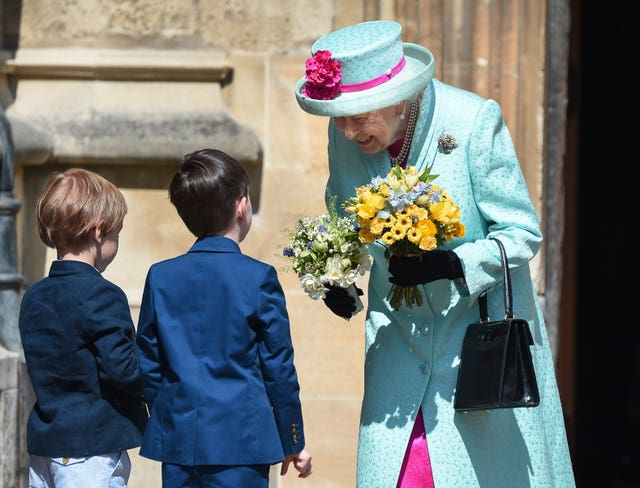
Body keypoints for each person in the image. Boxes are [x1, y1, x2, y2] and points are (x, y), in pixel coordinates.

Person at [294, 20, 575, 487]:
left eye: (358, 115)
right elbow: (342, 214)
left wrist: (452, 263)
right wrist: (337, 277)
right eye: (338, 116)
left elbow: (522, 233)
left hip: (473, 348)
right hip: (396, 349)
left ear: (399, 97)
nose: (345, 131)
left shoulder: (472, 121)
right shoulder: (342, 136)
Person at [135, 148, 313, 487]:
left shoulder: (160, 276)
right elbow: (278, 367)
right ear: (242, 208)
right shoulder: (259, 277)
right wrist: (294, 440)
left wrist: (172, 418)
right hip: (242, 444)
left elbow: (148, 361)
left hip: (179, 443)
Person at [18, 168, 148, 488]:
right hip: (91, 452)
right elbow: (125, 371)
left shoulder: (34, 296)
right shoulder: (102, 293)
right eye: (116, 234)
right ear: (99, 232)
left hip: (46, 449)